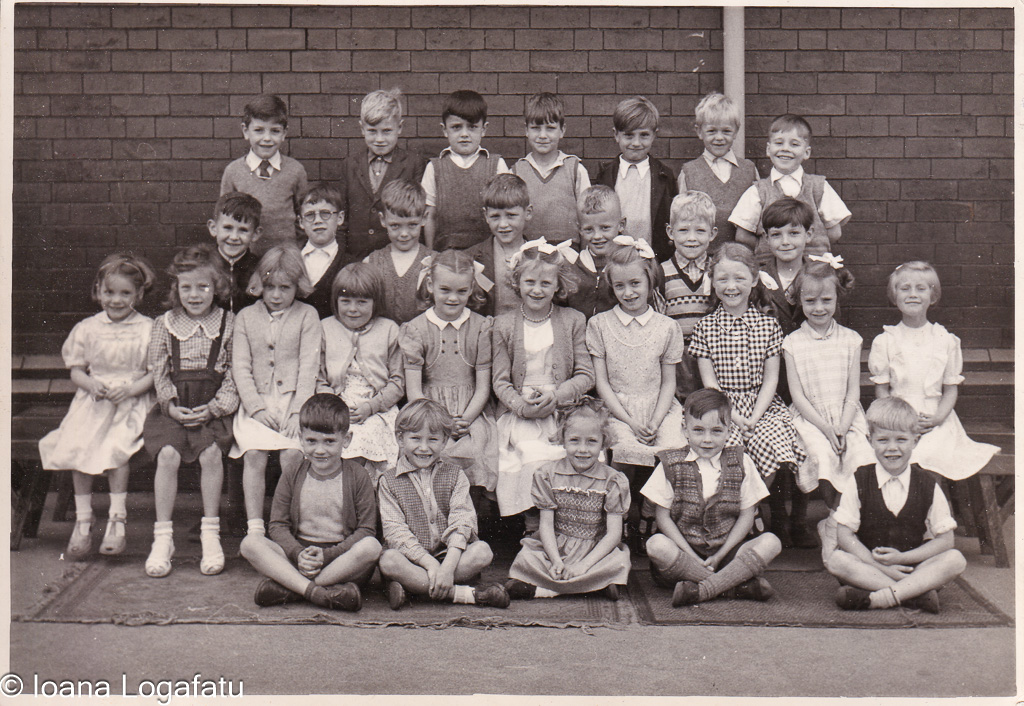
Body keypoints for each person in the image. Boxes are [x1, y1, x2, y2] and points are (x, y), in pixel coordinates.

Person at [688, 243, 813, 540]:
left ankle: (749, 507)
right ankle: (731, 513)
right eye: (723, 279)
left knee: (773, 441)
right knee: (727, 447)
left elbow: (771, 380)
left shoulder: (768, 326)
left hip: (761, 405)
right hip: (720, 406)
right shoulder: (705, 328)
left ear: (754, 279)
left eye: (740, 278)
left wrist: (754, 417)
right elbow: (710, 382)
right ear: (713, 281)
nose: (731, 287)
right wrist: (733, 415)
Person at [39, 254, 156, 559]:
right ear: (98, 291)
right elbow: (77, 369)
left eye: (125, 293)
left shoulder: (147, 328)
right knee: (79, 445)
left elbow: (156, 372)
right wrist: (90, 384)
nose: (116, 300)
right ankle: (83, 519)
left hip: (130, 401)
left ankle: (117, 519)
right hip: (94, 400)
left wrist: (131, 389)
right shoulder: (88, 328)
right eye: (109, 292)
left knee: (117, 448)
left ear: (139, 295)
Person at [142, 245, 239, 578]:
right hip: (176, 407)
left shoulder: (229, 323)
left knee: (211, 454)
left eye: (203, 287)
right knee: (167, 455)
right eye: (186, 287)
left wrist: (214, 409)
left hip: (212, 406)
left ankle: (210, 534)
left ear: (218, 288)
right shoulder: (165, 323)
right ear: (176, 289)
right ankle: (163, 537)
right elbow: (159, 371)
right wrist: (169, 404)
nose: (195, 295)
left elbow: (235, 375)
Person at [240, 393, 381, 613]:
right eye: (311, 441)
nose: (320, 450)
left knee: (371, 547)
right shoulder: (293, 473)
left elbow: (366, 529)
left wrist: (328, 555)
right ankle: (320, 592)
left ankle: (293, 587)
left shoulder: (357, 475)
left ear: (347, 440)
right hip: (299, 556)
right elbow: (277, 525)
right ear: (301, 438)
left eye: (330, 441)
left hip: (339, 561)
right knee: (250, 543)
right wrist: (297, 553)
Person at [826, 397, 967, 613]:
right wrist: (879, 566)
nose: (892, 448)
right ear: (869, 440)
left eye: (901, 439)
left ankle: (881, 596)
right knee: (836, 559)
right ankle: (914, 595)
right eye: (883, 440)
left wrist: (902, 559)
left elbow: (946, 540)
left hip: (912, 568)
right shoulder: (860, 479)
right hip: (870, 567)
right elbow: (844, 536)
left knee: (955, 560)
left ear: (915, 440)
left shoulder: (927, 484)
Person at [643, 388, 782, 606]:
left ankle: (701, 589)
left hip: (728, 555)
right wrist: (692, 557)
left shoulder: (742, 462)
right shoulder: (670, 464)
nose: (707, 439)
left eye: (717, 431)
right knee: (656, 545)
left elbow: (747, 515)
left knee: (771, 542)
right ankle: (733, 586)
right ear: (685, 430)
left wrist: (720, 556)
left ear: (729, 431)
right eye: (698, 430)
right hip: (683, 556)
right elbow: (663, 518)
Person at [492, 239, 594, 525]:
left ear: (558, 286)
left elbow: (586, 374)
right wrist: (522, 407)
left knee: (575, 452)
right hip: (521, 409)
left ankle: (571, 524)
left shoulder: (573, 320)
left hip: (563, 408)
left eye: (545, 283)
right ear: (518, 282)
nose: (537, 290)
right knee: (530, 455)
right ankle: (534, 526)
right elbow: (500, 381)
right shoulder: (503, 324)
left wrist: (558, 396)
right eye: (530, 281)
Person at [867, 261, 998, 481]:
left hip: (935, 417)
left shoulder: (944, 340)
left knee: (933, 455)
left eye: (921, 288)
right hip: (897, 418)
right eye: (905, 288)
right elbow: (882, 391)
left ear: (933, 295)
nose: (912, 294)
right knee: (897, 454)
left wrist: (936, 419)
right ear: (894, 295)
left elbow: (950, 390)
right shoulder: (886, 341)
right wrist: (899, 420)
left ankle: (934, 508)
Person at [377, 399, 510, 610]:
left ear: (445, 440)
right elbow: (395, 531)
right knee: (389, 561)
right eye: (415, 438)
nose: (424, 447)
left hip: (449, 555)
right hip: (411, 558)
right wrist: (429, 564)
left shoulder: (455, 475)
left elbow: (462, 518)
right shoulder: (388, 481)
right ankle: (464, 594)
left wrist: (447, 567)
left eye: (433, 439)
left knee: (483, 551)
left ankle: (416, 589)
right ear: (400, 439)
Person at [782, 256, 874, 555]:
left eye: (826, 300)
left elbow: (852, 393)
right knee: (821, 454)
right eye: (810, 301)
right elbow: (798, 396)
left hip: (846, 417)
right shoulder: (792, 343)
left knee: (858, 453)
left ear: (837, 298)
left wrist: (843, 428)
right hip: (810, 420)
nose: (818, 308)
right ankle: (837, 520)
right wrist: (826, 429)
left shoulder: (851, 340)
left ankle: (847, 522)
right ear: (799, 300)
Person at [231, 246, 322, 538]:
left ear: (298, 286)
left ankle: (285, 523)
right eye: (269, 287)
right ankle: (255, 526)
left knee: (292, 455)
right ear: (260, 284)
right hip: (256, 402)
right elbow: (240, 367)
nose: (276, 295)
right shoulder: (245, 317)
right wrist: (256, 407)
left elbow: (309, 367)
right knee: (254, 454)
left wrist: (299, 411)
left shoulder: (307, 315)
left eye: (285, 287)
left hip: (294, 401)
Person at [505, 397, 630, 600]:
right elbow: (545, 525)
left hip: (594, 549)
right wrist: (556, 560)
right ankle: (593, 587)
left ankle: (543, 589)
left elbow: (614, 534)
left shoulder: (613, 480)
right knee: (528, 556)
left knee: (619, 560)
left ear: (603, 443)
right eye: (574, 440)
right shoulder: (547, 474)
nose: (582, 449)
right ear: (563, 439)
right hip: (555, 545)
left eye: (592, 442)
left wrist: (584, 565)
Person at [399, 249, 497, 493]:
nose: (453, 298)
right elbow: (414, 389)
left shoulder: (481, 327)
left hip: (470, 410)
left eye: (462, 291)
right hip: (428, 409)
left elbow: (483, 387)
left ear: (472, 288)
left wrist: (465, 419)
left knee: (477, 448)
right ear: (431, 285)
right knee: (428, 449)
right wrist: (439, 423)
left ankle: (471, 516)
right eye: (445, 290)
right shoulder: (416, 329)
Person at [317, 263, 403, 478]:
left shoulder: (389, 329)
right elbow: (317, 378)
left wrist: (372, 406)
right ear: (336, 302)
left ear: (375, 303)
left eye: (362, 302)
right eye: (345, 301)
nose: (353, 309)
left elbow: (398, 382)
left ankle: (369, 499)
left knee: (367, 436)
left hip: (377, 407)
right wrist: (334, 404)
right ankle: (345, 498)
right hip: (335, 406)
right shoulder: (325, 328)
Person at [729, 113, 850, 263]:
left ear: (807, 152)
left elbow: (835, 231)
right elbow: (742, 235)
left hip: (814, 270)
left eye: (794, 144)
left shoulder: (819, 187)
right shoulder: (758, 192)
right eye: (779, 143)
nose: (785, 149)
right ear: (768, 149)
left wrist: (810, 246)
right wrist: (767, 248)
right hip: (770, 271)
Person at [340, 88, 427, 262]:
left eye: (386, 131)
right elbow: (343, 217)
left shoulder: (414, 163)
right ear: (362, 128)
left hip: (398, 256)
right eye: (372, 131)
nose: (379, 139)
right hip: (357, 257)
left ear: (399, 127)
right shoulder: (350, 164)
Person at [421, 90, 510, 251]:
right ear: (444, 130)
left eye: (472, 127)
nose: (464, 134)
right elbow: (430, 216)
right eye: (456, 127)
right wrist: (429, 253)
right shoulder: (434, 168)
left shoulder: (496, 165)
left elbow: (507, 211)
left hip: (487, 254)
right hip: (446, 254)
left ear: (484, 129)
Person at [220, 94, 308, 254]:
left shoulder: (296, 170)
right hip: (245, 258)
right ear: (246, 131)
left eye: (275, 131)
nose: (267, 138)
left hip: (286, 258)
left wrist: (296, 251)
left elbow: (303, 216)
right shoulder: (233, 172)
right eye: (259, 130)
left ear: (284, 133)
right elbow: (225, 219)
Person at [593, 96, 676, 262]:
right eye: (629, 135)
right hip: (613, 260)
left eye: (644, 135)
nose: (636, 143)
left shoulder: (665, 175)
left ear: (654, 135)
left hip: (653, 259)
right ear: (616, 135)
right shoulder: (605, 174)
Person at [677, 92, 759, 247]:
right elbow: (682, 220)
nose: (719, 138)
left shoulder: (749, 170)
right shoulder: (689, 172)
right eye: (712, 131)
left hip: (741, 258)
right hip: (702, 257)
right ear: (699, 132)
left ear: (736, 131)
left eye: (726, 131)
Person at [660, 191, 716, 403]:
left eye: (700, 231)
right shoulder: (661, 272)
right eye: (683, 230)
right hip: (677, 361)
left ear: (712, 233)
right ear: (670, 231)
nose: (691, 238)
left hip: (712, 359)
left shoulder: (717, 271)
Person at [513, 92, 591, 245]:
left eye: (550, 128)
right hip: (530, 253)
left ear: (562, 130)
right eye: (535, 128)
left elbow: (588, 217)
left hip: (568, 253)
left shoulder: (575, 169)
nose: (543, 135)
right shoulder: (516, 172)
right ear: (526, 130)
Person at [362, 179, 435, 326]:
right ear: (383, 220)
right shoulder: (371, 262)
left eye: (412, 225)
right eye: (395, 226)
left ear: (424, 218)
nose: (404, 234)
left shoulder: (435, 262)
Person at [464, 173, 532, 317]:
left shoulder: (541, 255)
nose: (503, 224)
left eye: (511, 215)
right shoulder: (471, 258)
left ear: (528, 212)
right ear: (486, 216)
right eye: (495, 216)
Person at [564, 185, 624, 320]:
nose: (597, 236)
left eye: (605, 228)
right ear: (579, 229)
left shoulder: (628, 263)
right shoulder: (573, 265)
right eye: (589, 229)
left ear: (621, 224)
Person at [297, 183, 348, 321]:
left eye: (325, 214)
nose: (318, 221)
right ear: (301, 222)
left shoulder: (349, 263)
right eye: (310, 215)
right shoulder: (291, 259)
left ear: (340, 218)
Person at [208, 192, 262, 313]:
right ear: (213, 228)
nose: (234, 237)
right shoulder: (202, 264)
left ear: (255, 234)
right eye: (227, 228)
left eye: (243, 230)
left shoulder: (260, 268)